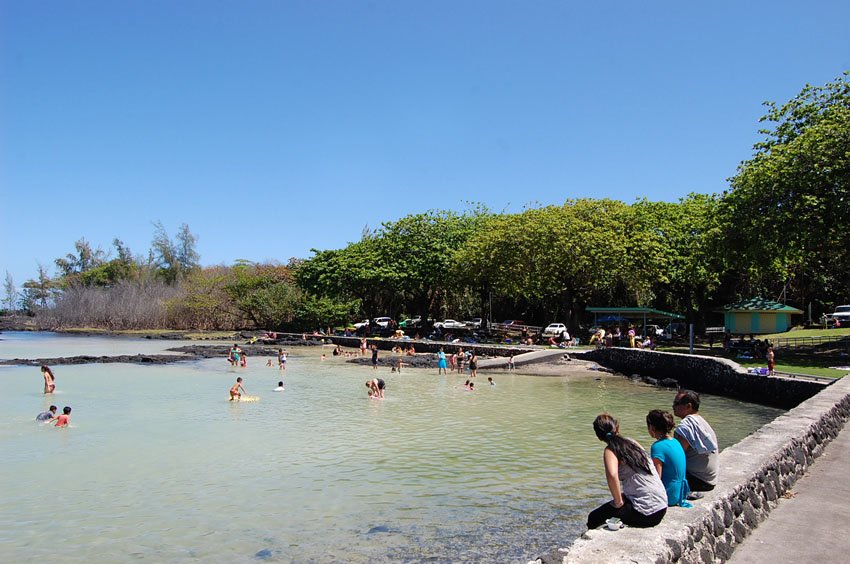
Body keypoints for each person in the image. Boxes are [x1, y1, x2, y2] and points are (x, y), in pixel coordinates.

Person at [586, 413, 667, 530]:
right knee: (615, 505)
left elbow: (612, 475)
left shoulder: (610, 450)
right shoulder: (632, 442)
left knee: (594, 517)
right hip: (661, 506)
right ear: (617, 428)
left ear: (598, 436)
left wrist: (618, 502)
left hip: (646, 513)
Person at [673, 390, 719, 494]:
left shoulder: (686, 427)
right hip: (709, 480)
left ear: (688, 406)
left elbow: (675, 457)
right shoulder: (701, 422)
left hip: (697, 480)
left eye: (676, 403)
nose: (673, 406)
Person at [646, 410, 691, 507]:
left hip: (669, 495)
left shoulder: (657, 447)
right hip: (681, 493)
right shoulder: (675, 441)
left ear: (651, 427)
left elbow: (657, 477)